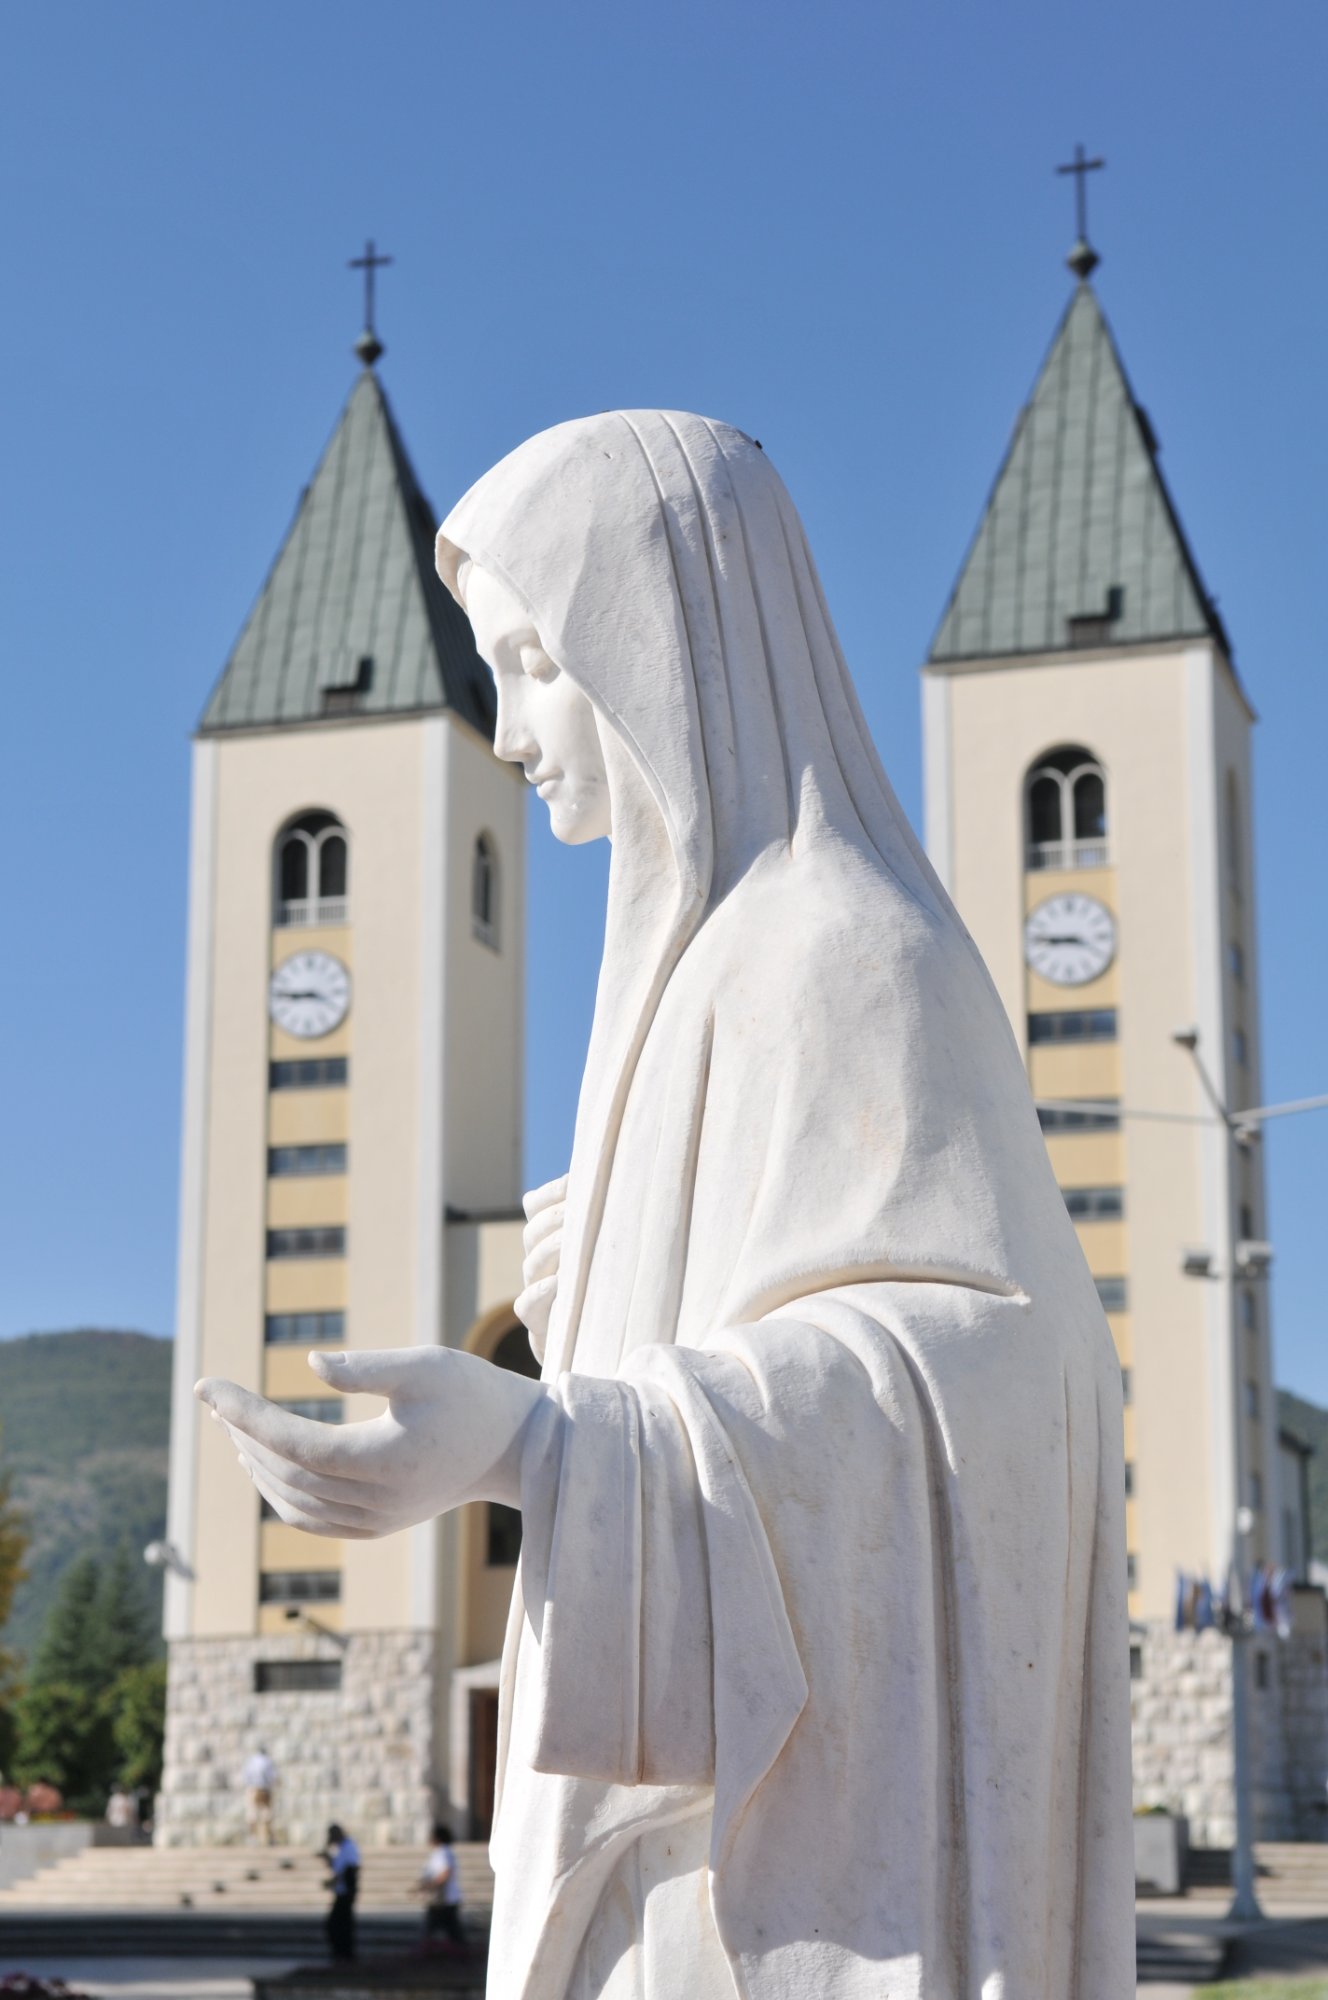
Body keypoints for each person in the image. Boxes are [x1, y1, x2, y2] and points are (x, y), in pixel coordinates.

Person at [199, 412, 1134, 1999]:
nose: (509, 732)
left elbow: (992, 1366)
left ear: (662, 648)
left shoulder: (846, 951)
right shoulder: (694, 978)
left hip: (781, 1875)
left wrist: (538, 1444)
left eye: (533, 664)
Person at [417, 1820, 465, 1948]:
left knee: (434, 1929)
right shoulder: (444, 1852)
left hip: (443, 1899)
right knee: (452, 1931)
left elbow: (445, 1873)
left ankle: (426, 1950)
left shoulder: (442, 1852)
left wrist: (429, 1886)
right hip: (446, 1899)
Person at [322, 1822, 359, 1963]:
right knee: (338, 1924)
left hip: (346, 1893)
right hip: (341, 1891)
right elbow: (337, 1868)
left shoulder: (349, 1847)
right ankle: (341, 1953)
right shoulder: (341, 1848)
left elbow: (349, 1870)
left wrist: (335, 1881)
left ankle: (344, 1954)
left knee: (339, 1924)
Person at [241, 1745, 276, 1846]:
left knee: (252, 1814)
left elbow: (246, 1775)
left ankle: (253, 1838)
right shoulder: (268, 1761)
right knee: (266, 1814)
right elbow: (272, 1776)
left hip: (253, 1789)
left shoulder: (251, 1761)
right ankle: (268, 1838)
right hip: (265, 1789)